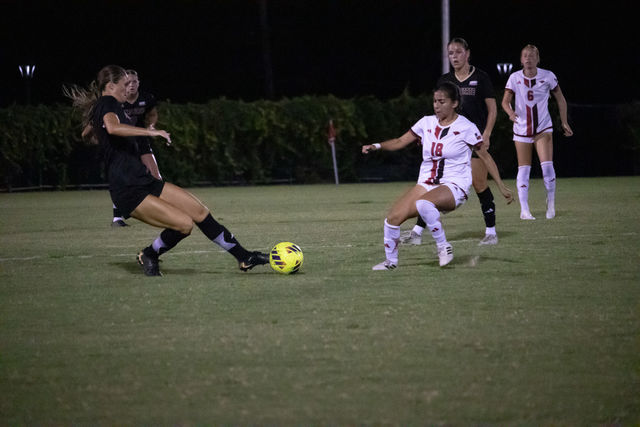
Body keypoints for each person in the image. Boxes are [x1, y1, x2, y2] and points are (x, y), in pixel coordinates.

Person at [65, 65, 269, 276]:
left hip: (143, 179)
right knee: (183, 225)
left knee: (199, 211)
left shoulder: (109, 105)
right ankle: (149, 254)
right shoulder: (108, 102)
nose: (129, 88)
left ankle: (244, 257)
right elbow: (113, 127)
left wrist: (100, 137)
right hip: (128, 188)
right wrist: (149, 133)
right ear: (110, 85)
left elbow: (86, 134)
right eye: (125, 84)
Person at [401, 37, 513, 247]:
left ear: (467, 53)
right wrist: (428, 135)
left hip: (472, 141)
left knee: (480, 184)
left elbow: (492, 109)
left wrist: (487, 133)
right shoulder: (445, 80)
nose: (454, 57)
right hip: (449, 143)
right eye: (451, 53)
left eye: (458, 52)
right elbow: (438, 112)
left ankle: (491, 232)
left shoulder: (481, 77)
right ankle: (416, 233)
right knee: (433, 186)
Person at [362, 81, 484, 269]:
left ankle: (443, 246)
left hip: (454, 186)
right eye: (435, 101)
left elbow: (485, 155)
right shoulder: (426, 122)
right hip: (426, 184)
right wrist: (376, 146)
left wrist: (500, 185)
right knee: (392, 219)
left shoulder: (466, 126)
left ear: (454, 103)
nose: (436, 105)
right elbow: (400, 141)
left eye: (441, 101)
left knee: (424, 203)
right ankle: (390, 263)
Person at [501, 44, 573, 220]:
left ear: (538, 59)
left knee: (547, 167)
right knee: (524, 169)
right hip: (521, 128)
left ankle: (551, 203)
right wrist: (510, 113)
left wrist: (564, 121)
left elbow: (561, 99)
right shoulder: (514, 78)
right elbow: (504, 102)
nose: (528, 58)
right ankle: (524, 210)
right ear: (521, 59)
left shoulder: (548, 76)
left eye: (532, 55)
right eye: (525, 55)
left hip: (543, 127)